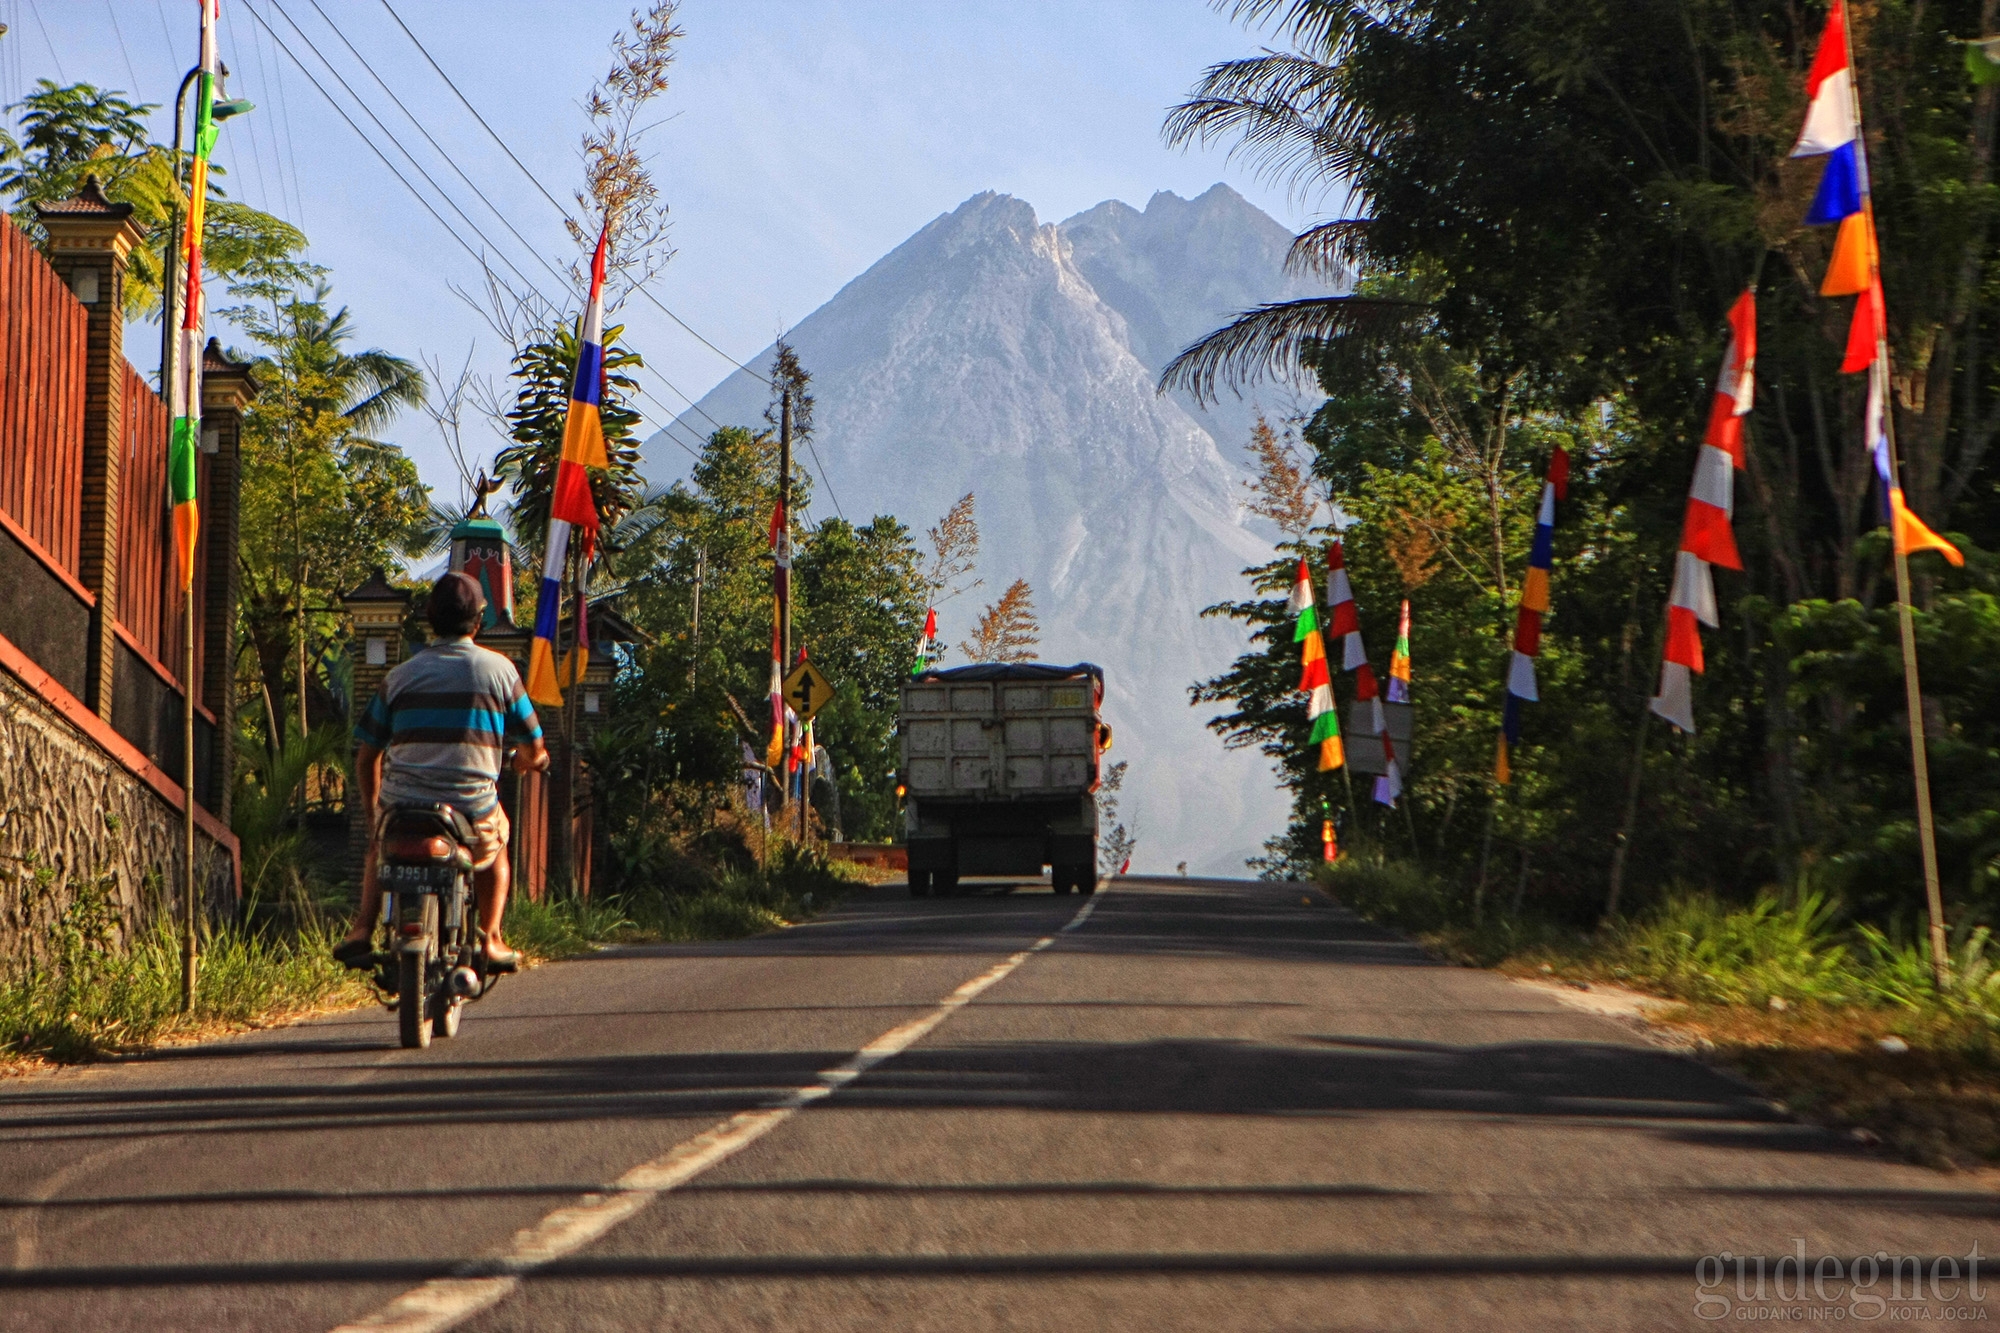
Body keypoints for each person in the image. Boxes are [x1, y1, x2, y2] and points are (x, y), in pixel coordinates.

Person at [336, 572, 549, 971]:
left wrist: (373, 813)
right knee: (496, 847)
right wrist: (529, 760)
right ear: (479, 622)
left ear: (429, 621)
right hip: (471, 808)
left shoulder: (398, 677)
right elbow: (533, 744)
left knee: (378, 845)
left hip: (404, 807)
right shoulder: (500, 671)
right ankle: (492, 938)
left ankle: (362, 928)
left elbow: (367, 756)